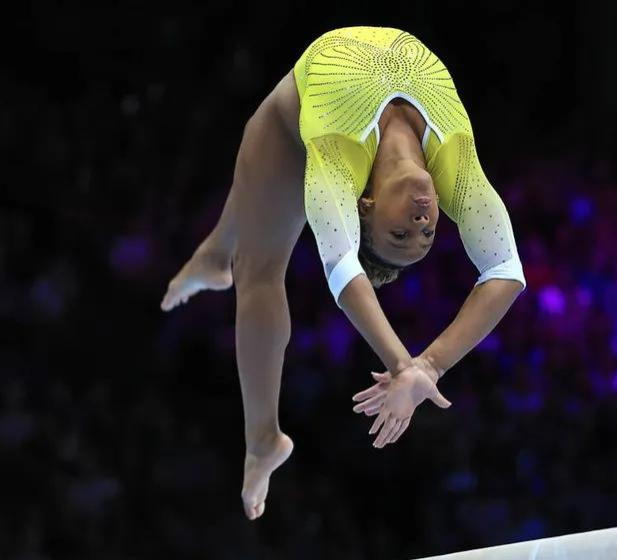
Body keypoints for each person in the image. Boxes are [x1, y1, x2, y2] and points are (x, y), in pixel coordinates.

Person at [160, 26, 527, 521]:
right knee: (249, 205)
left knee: (258, 268)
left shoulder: (336, 163)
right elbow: (506, 269)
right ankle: (214, 252)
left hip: (294, 120)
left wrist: (410, 366)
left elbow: (341, 267)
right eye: (426, 236)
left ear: (366, 208)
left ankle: (261, 440)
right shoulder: (455, 163)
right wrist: (430, 365)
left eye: (400, 236)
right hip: (331, 95)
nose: (421, 226)